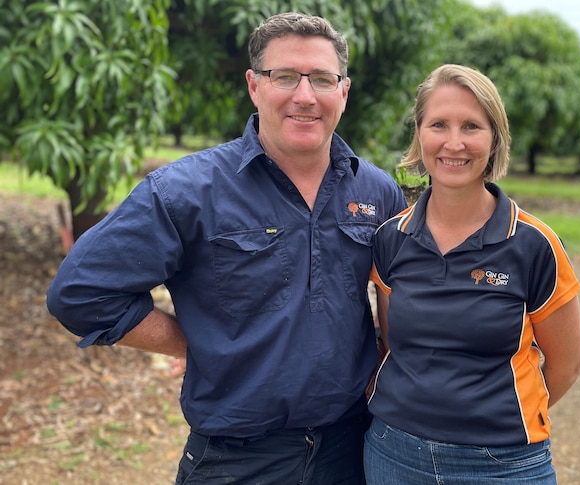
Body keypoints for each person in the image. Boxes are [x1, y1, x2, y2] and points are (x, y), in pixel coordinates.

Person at [46, 12, 407, 484]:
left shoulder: (378, 193)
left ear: (343, 90)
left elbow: (401, 302)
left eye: (322, 78)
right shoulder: (185, 191)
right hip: (237, 461)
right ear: (254, 86)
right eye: (284, 77)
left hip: (354, 450)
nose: (304, 95)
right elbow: (80, 293)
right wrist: (192, 343)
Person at [364, 64, 580, 484]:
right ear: (420, 134)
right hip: (393, 455)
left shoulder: (534, 244)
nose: (454, 143)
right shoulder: (391, 239)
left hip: (502, 464)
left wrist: (490, 420)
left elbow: (566, 367)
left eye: (471, 126)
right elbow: (396, 344)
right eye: (439, 125)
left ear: (494, 137)